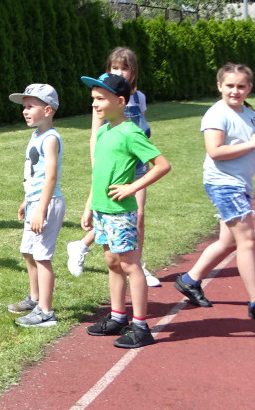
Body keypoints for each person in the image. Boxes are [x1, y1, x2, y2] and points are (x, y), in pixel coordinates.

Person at [80, 73, 170, 349]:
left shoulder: (131, 132)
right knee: (112, 262)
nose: (94, 104)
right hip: (102, 210)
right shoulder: (105, 131)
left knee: (130, 264)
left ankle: (141, 326)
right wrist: (89, 206)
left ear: (119, 101)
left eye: (100, 99)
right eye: (93, 98)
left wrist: (132, 187)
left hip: (120, 212)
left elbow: (162, 165)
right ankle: (118, 316)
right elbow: (100, 174)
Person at [67, 47, 161, 286]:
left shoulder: (138, 97)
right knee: (109, 215)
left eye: (125, 68)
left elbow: (139, 129)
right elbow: (95, 135)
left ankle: (136, 263)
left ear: (133, 72)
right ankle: (82, 246)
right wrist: (96, 165)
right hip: (113, 168)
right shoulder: (103, 100)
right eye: (115, 68)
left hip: (137, 166)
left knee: (137, 216)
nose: (120, 72)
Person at [173, 63, 255, 319]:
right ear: (220, 86)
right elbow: (215, 151)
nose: (235, 91)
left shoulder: (249, 113)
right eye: (229, 85)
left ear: (249, 88)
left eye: (241, 86)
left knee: (228, 241)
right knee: (248, 241)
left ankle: (190, 279)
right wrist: (251, 144)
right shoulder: (216, 114)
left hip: (241, 184)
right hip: (224, 183)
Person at [6, 84, 65, 327]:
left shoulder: (51, 139)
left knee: (42, 257)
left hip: (47, 204)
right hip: (35, 202)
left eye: (31, 106)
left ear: (48, 110)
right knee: (28, 251)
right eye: (24, 107)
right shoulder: (36, 135)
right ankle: (35, 297)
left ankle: (46, 311)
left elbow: (50, 177)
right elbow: (35, 175)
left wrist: (40, 208)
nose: (25, 111)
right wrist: (27, 201)